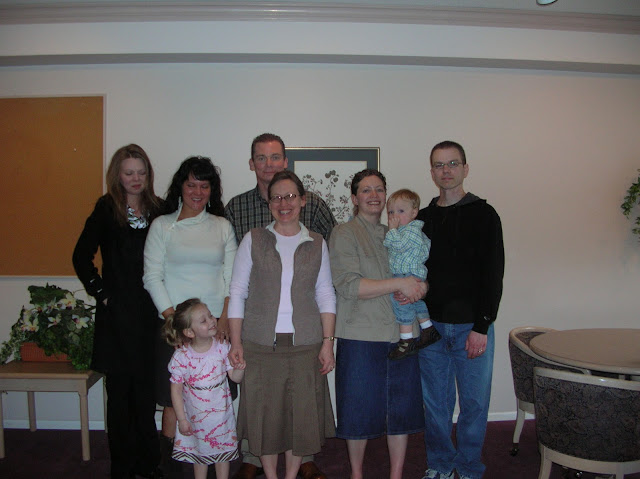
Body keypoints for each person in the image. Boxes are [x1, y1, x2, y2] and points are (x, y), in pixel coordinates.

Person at [224, 133, 336, 479]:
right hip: (260, 345)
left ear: (302, 200)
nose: (283, 203)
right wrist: (236, 342)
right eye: (276, 198)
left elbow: (326, 294)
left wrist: (328, 343)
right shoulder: (254, 239)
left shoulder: (316, 242)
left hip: (305, 345)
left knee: (299, 420)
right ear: (269, 203)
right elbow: (237, 291)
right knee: (265, 420)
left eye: (290, 196)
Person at [72, 144, 164, 479]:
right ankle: (122, 468)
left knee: (145, 396)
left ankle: (149, 465)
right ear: (117, 175)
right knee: (120, 397)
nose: (136, 179)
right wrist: (102, 295)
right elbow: (81, 256)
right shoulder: (106, 208)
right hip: (117, 318)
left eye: (141, 172)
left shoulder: (159, 209)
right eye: (129, 173)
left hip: (150, 315)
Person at [143, 156, 238, 479]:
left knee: (215, 396)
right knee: (174, 401)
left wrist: (223, 321)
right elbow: (152, 277)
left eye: (204, 185)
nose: (197, 192)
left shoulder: (222, 226)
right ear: (180, 187)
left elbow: (232, 279)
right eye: (191, 184)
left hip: (214, 328)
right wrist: (176, 322)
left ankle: (216, 460)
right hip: (174, 327)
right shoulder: (162, 226)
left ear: (212, 190)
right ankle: (172, 468)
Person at [329, 169, 426, 479]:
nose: (374, 195)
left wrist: (421, 287)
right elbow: (349, 285)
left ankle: (396, 473)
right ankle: (356, 473)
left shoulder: (397, 232)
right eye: (366, 190)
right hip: (360, 335)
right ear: (354, 198)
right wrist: (400, 283)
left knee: (401, 410)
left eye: (379, 189)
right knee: (357, 410)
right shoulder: (344, 233)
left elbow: (417, 272)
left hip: (402, 334)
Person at [417, 141, 504, 479]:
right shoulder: (423, 219)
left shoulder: (484, 215)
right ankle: (440, 464)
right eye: (439, 165)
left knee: (474, 404)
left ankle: (468, 467)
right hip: (432, 329)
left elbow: (493, 274)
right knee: (436, 405)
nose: (446, 171)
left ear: (465, 169)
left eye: (453, 163)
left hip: (472, 327)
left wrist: (482, 326)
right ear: (432, 172)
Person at [164, 298, 246, 479]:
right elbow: (176, 390)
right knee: (200, 456)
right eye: (203, 320)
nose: (211, 321)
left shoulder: (223, 348)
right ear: (189, 332)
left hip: (221, 418)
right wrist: (182, 419)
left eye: (210, 316)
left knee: (222, 455)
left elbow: (235, 378)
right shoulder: (181, 356)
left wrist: (239, 368)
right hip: (196, 418)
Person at [384, 189, 441, 360]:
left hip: (406, 273)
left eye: (401, 211)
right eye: (391, 212)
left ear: (414, 213)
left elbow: (398, 246)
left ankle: (406, 340)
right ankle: (428, 328)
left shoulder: (411, 231)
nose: (395, 216)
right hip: (412, 273)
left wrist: (391, 230)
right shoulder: (409, 230)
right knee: (416, 303)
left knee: (401, 302)